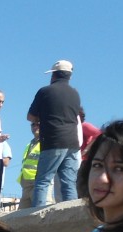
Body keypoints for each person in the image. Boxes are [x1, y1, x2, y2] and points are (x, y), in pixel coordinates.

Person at [27, 60, 82, 208]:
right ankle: (72, 213)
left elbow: (30, 116)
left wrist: (43, 117)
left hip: (53, 140)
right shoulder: (75, 93)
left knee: (43, 180)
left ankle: (37, 215)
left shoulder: (45, 91)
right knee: (69, 182)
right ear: (69, 76)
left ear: (53, 75)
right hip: (72, 142)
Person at [17, 122, 49, 210]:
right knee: (21, 214)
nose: (35, 127)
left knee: (40, 212)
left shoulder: (46, 142)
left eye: (38, 124)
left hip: (38, 182)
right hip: (26, 184)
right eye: (33, 125)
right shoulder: (30, 144)